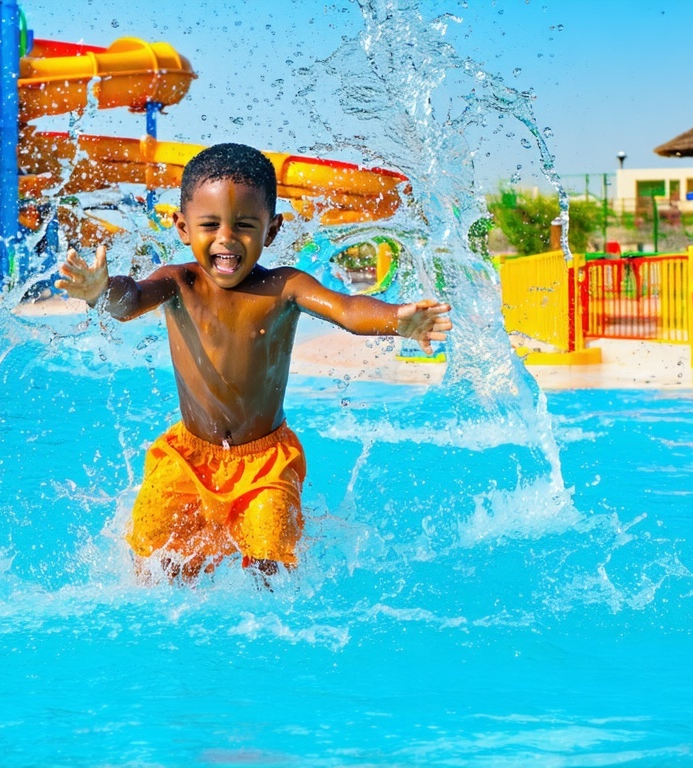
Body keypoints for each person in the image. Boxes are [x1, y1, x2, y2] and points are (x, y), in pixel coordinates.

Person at [55, 143, 451, 584]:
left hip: (265, 461)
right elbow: (128, 300)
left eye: (244, 225)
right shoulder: (178, 282)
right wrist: (100, 291)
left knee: (271, 557)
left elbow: (347, 308)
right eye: (210, 225)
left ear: (273, 230)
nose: (226, 238)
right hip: (187, 456)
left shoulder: (285, 287)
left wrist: (397, 320)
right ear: (183, 227)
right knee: (153, 554)